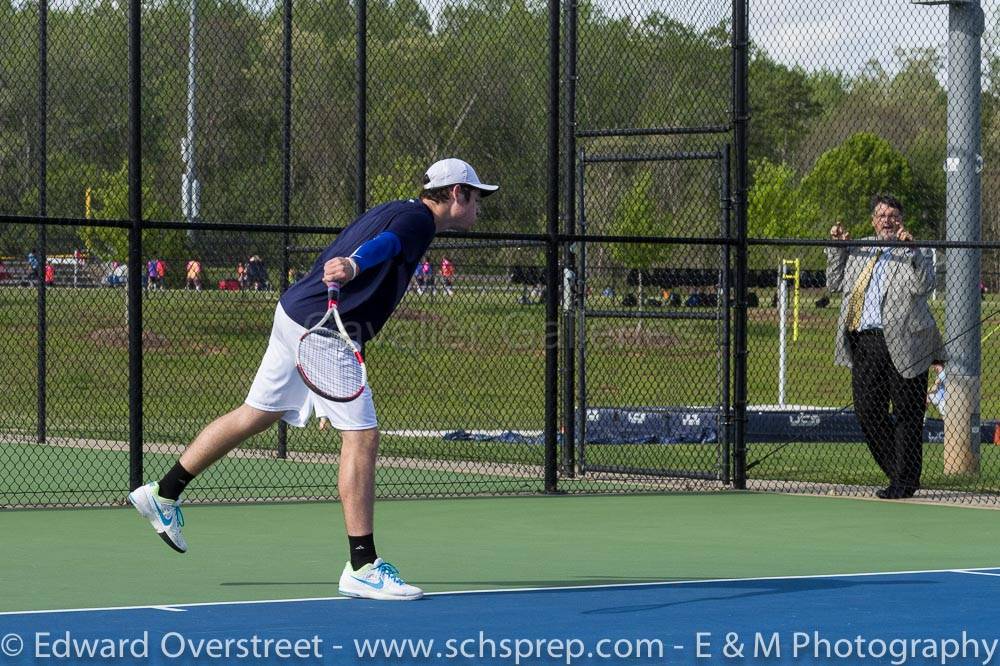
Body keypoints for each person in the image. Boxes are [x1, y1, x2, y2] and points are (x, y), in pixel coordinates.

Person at [127, 157, 497, 600]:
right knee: (362, 436)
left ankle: (164, 493)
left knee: (256, 414)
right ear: (456, 193)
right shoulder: (418, 222)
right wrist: (355, 267)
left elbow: (365, 254)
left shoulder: (395, 207)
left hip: (297, 315)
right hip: (322, 329)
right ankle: (363, 565)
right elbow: (382, 247)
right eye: (477, 197)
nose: (479, 206)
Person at [826, 193, 944, 500]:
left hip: (907, 340)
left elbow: (925, 285)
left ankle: (903, 482)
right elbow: (834, 283)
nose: (888, 221)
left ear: (901, 220)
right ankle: (901, 473)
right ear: (873, 221)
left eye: (893, 216)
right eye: (882, 216)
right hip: (867, 342)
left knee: (907, 412)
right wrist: (838, 247)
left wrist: (913, 251)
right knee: (867, 412)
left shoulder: (911, 249)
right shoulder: (861, 249)